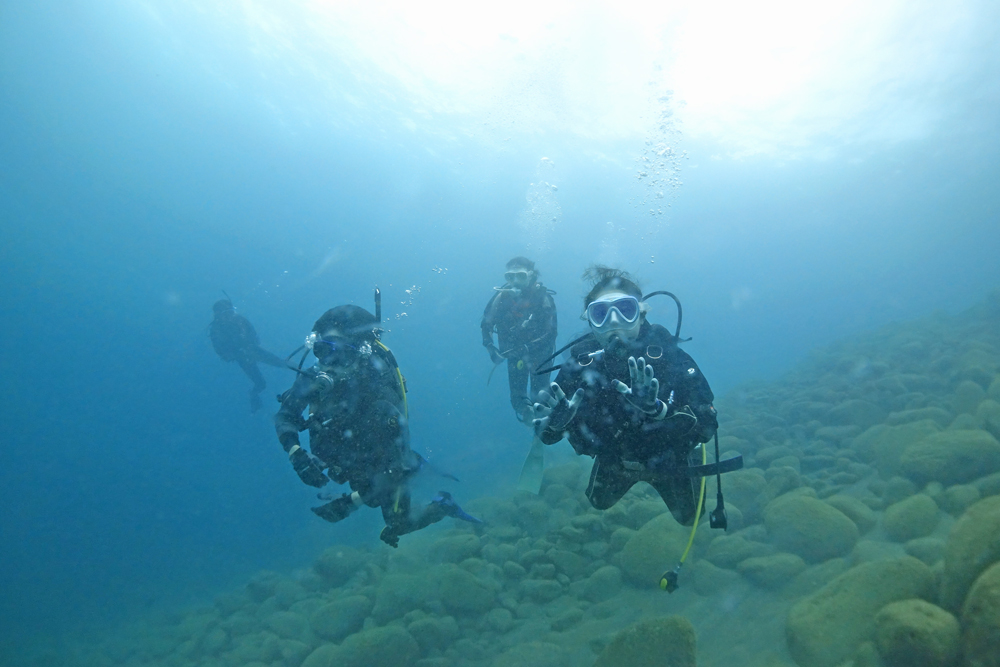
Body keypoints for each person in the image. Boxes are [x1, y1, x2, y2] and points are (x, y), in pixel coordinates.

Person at [274, 303, 478, 547]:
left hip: (381, 457)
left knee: (399, 523)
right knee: (376, 496)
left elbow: (393, 471)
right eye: (321, 351)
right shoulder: (314, 376)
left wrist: (350, 502)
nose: (329, 363)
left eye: (338, 353)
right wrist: (295, 454)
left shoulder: (379, 389)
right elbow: (285, 415)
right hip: (342, 453)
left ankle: (443, 503)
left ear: (358, 352)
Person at [533, 267, 719, 526]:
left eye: (625, 310)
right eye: (600, 314)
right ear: (590, 322)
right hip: (615, 462)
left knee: (691, 518)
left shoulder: (669, 357)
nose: (614, 321)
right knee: (598, 503)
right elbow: (546, 436)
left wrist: (661, 412)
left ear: (641, 316)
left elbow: (708, 423)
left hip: (670, 462)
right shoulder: (580, 365)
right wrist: (555, 424)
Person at [481, 257, 558, 424]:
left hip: (540, 355)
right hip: (514, 354)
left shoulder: (543, 298)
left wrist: (527, 348)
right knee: (517, 398)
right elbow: (486, 324)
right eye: (510, 277)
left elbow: (551, 333)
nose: (515, 281)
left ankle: (542, 428)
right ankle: (531, 419)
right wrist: (490, 347)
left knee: (541, 395)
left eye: (521, 276)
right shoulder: (501, 297)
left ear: (531, 275)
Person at [209, 298, 286, 412]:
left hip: (253, 350)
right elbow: (220, 351)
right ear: (219, 315)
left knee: (282, 364)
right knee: (261, 383)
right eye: (227, 313)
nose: (231, 315)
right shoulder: (216, 329)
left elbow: (253, 334)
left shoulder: (240, 319)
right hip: (242, 357)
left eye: (232, 311)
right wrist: (236, 354)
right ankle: (254, 396)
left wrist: (251, 347)